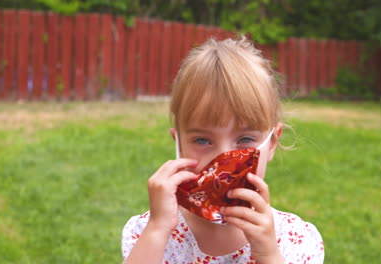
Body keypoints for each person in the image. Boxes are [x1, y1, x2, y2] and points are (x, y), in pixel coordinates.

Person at [121, 36, 324, 264]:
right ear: (178, 144)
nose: (222, 158)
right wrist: (157, 230)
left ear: (272, 145)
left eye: (245, 139)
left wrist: (268, 255)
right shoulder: (149, 234)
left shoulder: (294, 239)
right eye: (202, 140)